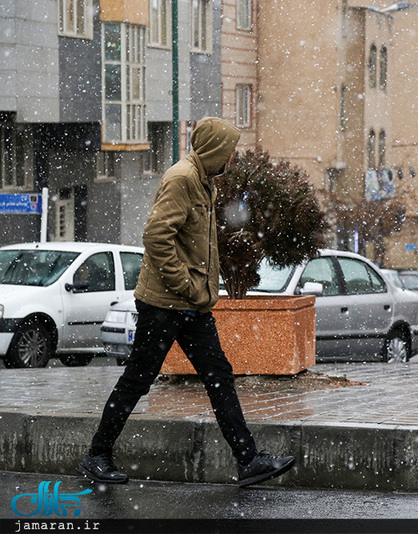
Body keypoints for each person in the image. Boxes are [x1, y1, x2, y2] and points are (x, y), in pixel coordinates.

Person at [78, 117, 295, 488]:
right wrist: (188, 286)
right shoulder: (181, 179)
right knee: (138, 379)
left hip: (192, 308)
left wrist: (200, 293)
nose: (231, 159)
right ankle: (97, 455)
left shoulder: (204, 182)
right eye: (228, 152)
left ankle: (249, 461)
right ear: (213, 151)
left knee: (219, 378)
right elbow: (156, 237)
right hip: (165, 304)